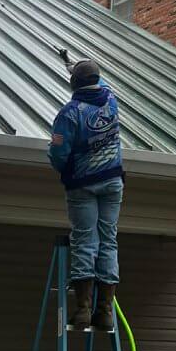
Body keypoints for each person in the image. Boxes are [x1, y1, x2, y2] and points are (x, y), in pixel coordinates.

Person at [47, 58, 124, 331]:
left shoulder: (69, 113)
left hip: (82, 184)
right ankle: (104, 312)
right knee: (108, 240)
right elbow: (97, 82)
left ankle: (82, 310)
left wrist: (61, 167)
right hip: (113, 181)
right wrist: (74, 66)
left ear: (74, 84)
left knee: (84, 240)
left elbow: (58, 152)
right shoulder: (110, 100)